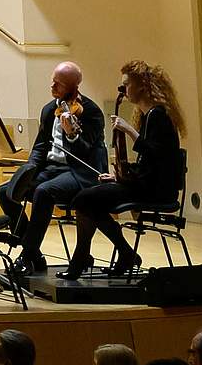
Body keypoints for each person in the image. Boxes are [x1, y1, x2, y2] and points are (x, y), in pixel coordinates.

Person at [65, 59, 186, 277]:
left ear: (142, 85)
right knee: (89, 201)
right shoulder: (150, 115)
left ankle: (90, 257)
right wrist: (119, 177)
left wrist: (130, 130)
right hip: (147, 184)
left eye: (126, 84)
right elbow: (148, 164)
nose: (123, 90)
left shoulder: (159, 116)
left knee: (85, 200)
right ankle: (122, 253)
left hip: (156, 190)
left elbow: (157, 155)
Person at [4, 60, 105, 275]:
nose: (52, 87)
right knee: (6, 192)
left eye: (58, 84)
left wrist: (71, 134)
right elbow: (41, 146)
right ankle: (32, 250)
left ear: (73, 87)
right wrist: (30, 168)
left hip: (77, 171)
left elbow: (86, 150)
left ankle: (27, 255)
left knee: (44, 192)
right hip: (50, 169)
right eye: (52, 81)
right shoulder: (50, 110)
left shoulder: (91, 112)